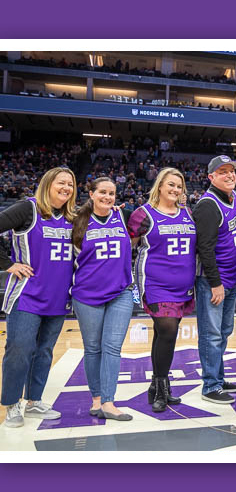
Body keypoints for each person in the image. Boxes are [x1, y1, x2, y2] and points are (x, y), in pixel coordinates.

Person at [1, 167, 77, 428]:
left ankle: (34, 401)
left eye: (70, 184)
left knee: (44, 352)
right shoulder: (27, 209)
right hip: (27, 295)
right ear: (47, 184)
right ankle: (12, 404)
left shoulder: (72, 217)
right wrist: (7, 264)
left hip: (58, 298)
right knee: (19, 350)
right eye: (61, 182)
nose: (66, 187)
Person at [128, 168, 196, 412]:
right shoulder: (142, 215)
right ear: (159, 186)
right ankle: (160, 387)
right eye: (171, 185)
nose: (175, 190)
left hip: (183, 285)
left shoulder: (188, 213)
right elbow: (127, 246)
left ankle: (157, 386)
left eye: (179, 186)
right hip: (155, 283)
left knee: (164, 332)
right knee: (167, 329)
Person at [71, 177, 134, 421]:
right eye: (103, 192)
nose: (108, 197)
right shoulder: (77, 221)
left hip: (121, 292)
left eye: (112, 193)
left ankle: (108, 401)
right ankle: (96, 398)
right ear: (91, 194)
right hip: (87, 294)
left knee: (112, 348)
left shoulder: (122, 216)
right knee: (93, 348)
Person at [193, 155, 236, 404]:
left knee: (224, 331)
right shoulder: (208, 205)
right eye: (223, 172)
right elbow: (205, 248)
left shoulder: (235, 199)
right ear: (211, 177)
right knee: (211, 334)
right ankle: (210, 385)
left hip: (232, 278)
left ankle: (219, 377)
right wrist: (215, 283)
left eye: (232, 171)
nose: (230, 175)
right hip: (213, 282)